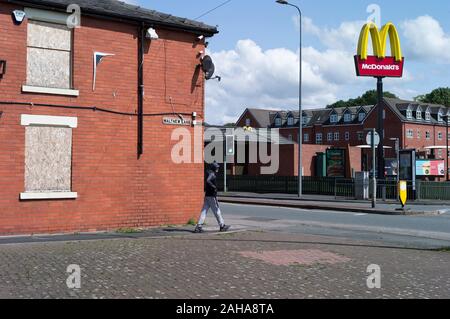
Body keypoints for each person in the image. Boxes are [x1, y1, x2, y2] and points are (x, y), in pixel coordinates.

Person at [194, 162, 231, 233]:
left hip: (207, 195)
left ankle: (198, 226)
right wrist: (214, 187)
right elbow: (208, 180)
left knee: (204, 211)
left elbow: (207, 180)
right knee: (217, 211)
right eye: (216, 167)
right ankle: (222, 225)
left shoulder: (209, 172)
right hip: (212, 196)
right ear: (214, 168)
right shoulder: (212, 174)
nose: (218, 168)